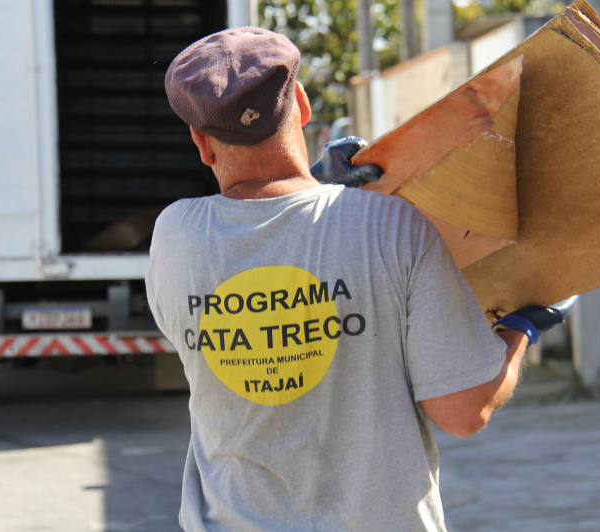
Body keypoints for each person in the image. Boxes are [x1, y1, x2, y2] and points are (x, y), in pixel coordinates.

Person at [146, 26, 573, 532]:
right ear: (302, 106)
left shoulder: (173, 237)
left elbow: (264, 267)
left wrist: (325, 200)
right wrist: (522, 327)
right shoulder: (392, 226)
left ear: (201, 143)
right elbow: (462, 412)